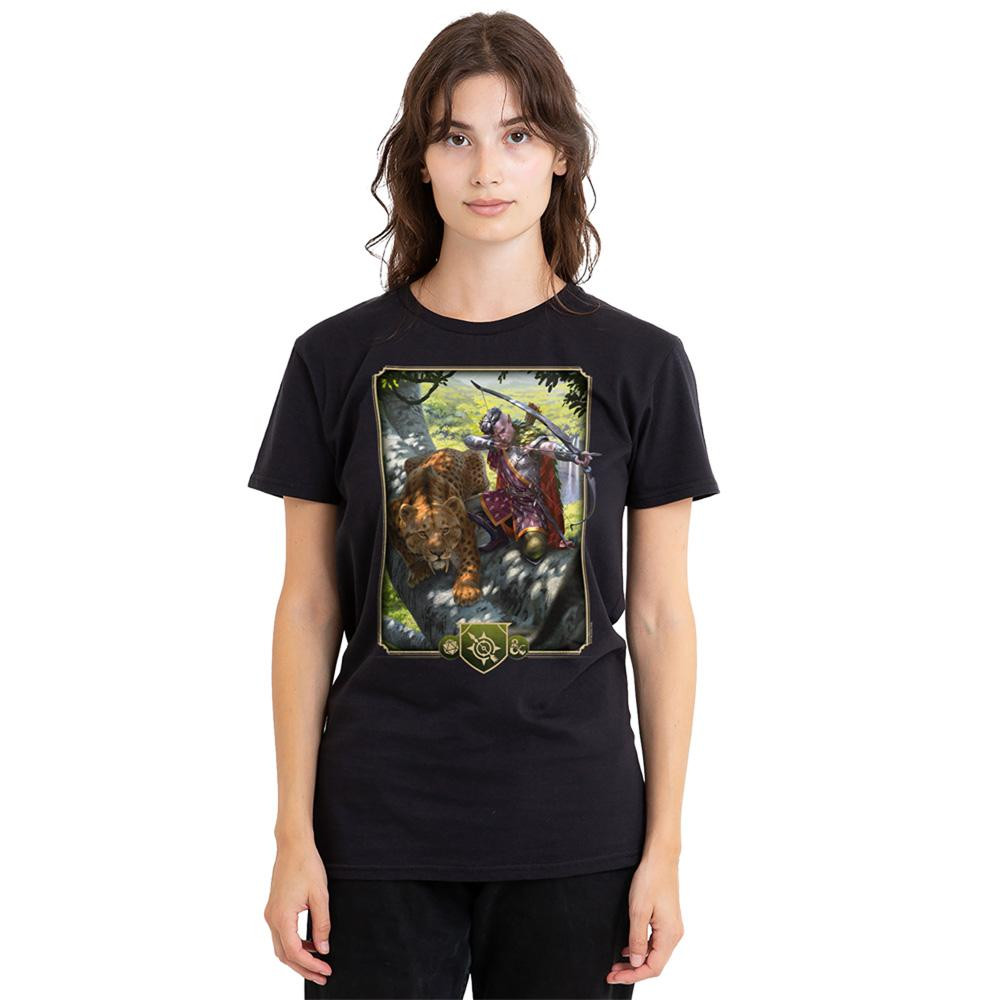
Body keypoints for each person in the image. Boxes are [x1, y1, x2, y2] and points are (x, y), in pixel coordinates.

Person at [248, 12, 719, 998]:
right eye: (455, 136)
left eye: (517, 134)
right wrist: (293, 833)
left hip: (576, 822)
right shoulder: (335, 358)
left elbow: (662, 615)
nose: (487, 169)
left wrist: (665, 847)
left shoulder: (640, 363)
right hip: (375, 826)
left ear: (561, 154)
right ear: (419, 161)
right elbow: (308, 606)